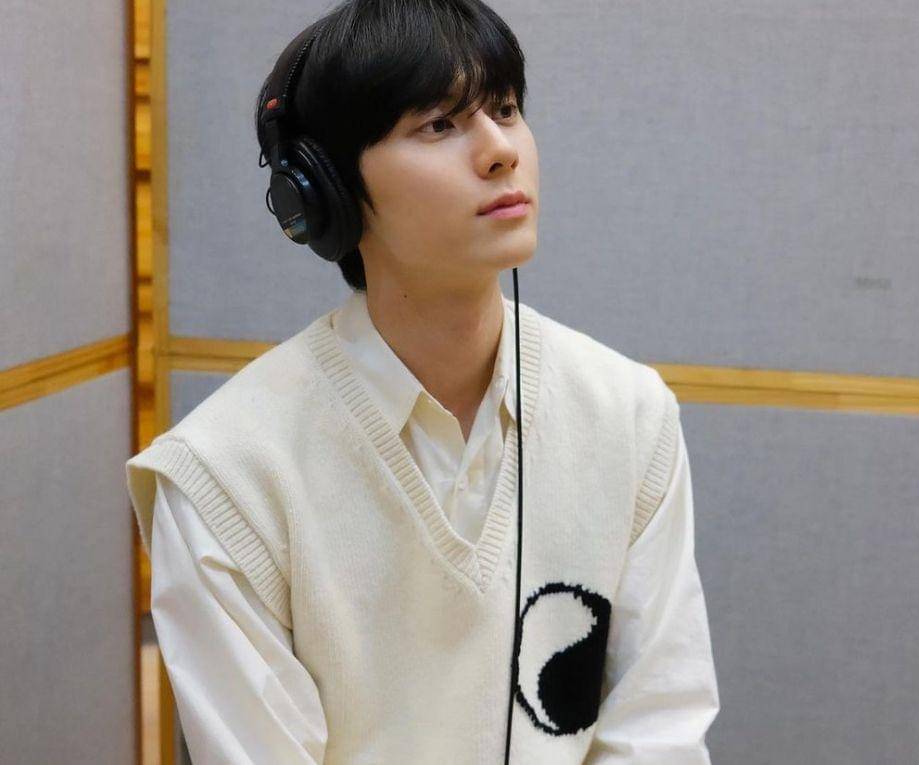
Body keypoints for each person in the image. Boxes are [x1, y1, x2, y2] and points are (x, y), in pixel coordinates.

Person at [126, 1, 720, 762]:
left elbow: (658, 731)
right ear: (327, 191)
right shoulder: (223, 477)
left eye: (505, 109)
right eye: (440, 124)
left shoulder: (628, 415)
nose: (500, 150)